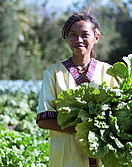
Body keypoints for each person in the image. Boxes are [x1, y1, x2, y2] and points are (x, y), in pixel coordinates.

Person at [36, 12, 116, 167]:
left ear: (96, 37)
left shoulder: (109, 72)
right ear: (67, 38)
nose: (79, 40)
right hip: (66, 159)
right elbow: (44, 120)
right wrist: (84, 128)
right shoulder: (53, 73)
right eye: (73, 35)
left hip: (102, 158)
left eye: (85, 35)